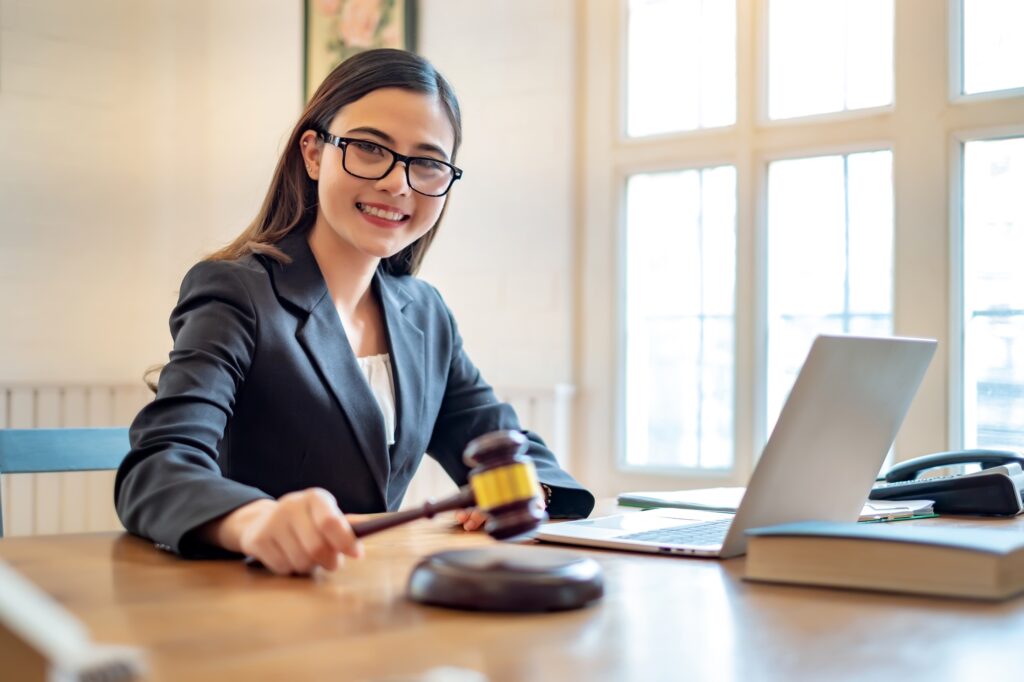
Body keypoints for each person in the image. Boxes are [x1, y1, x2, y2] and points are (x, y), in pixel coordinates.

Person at [114, 48, 595, 576]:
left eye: (428, 163)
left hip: (373, 599)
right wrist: (253, 519)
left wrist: (522, 489)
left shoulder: (425, 313)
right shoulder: (236, 292)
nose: (398, 183)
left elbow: (503, 443)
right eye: (369, 148)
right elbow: (157, 469)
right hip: (251, 600)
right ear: (314, 154)